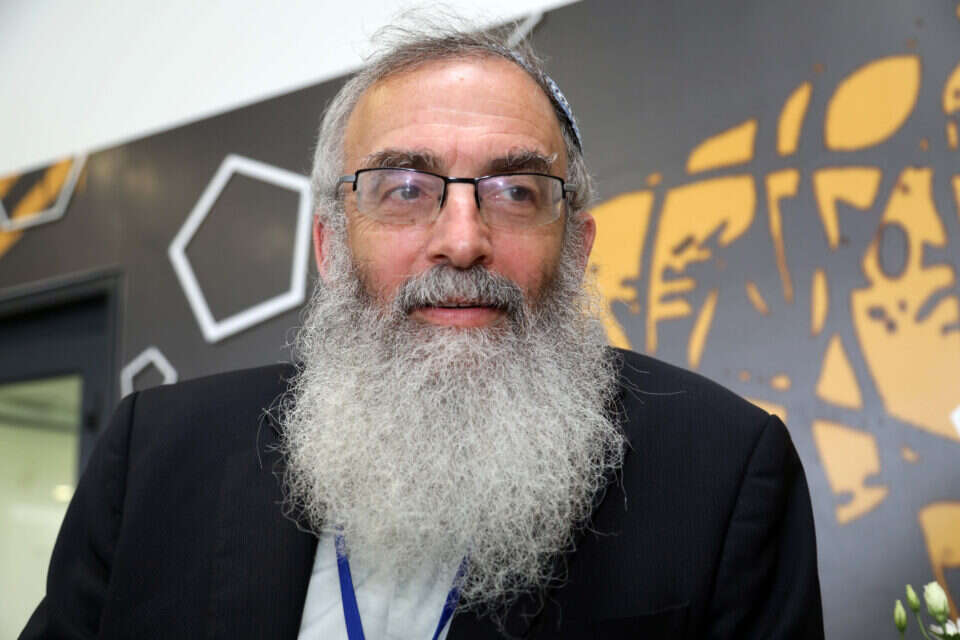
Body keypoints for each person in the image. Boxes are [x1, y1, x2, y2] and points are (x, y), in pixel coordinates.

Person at [21, 18, 823, 640]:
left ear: (577, 248)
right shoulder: (154, 459)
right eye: (405, 188)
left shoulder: (723, 474)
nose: (463, 240)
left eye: (516, 191)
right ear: (331, 245)